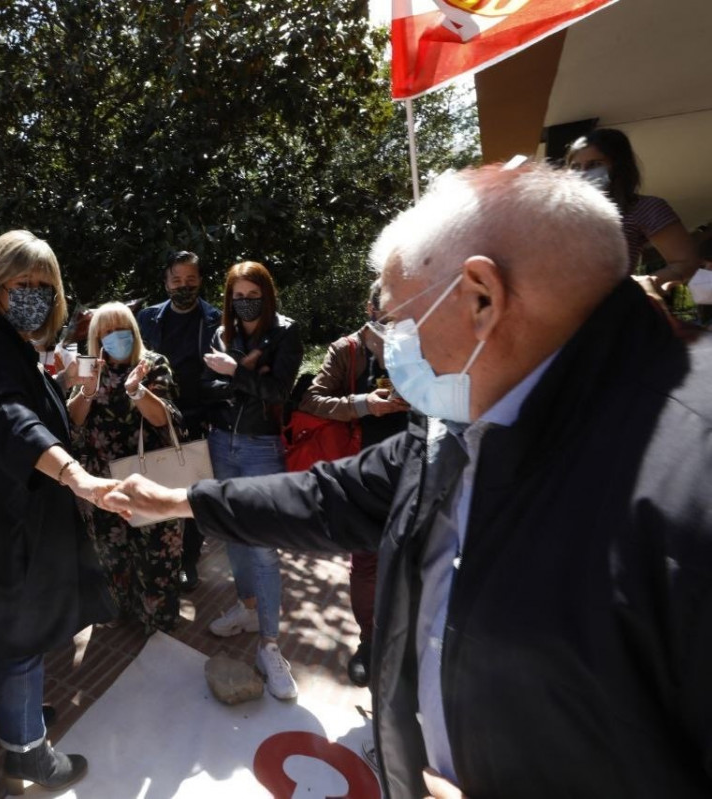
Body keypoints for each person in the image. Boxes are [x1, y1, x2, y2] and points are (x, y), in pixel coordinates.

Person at [106, 163, 712, 799]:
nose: (392, 343)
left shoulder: (688, 484)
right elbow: (329, 497)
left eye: (399, 319)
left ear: (481, 298)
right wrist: (179, 500)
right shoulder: (467, 419)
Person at [0, 230, 118, 795]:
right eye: (20, 283)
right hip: (3, 523)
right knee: (23, 638)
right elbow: (13, 419)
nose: (33, 294)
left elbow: (13, 405)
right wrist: (76, 475)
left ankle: (0, 711)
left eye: (43, 285)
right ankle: (27, 754)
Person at [200, 260, 304, 700]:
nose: (245, 302)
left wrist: (236, 374)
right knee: (234, 536)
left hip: (261, 445)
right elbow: (212, 389)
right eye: (237, 295)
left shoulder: (285, 332)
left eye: (252, 294)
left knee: (263, 547)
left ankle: (269, 644)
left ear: (267, 293)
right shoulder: (223, 333)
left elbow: (279, 392)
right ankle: (246, 607)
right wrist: (248, 376)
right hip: (223, 443)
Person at [298, 283, 409, 687]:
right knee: (366, 562)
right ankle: (369, 644)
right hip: (364, 472)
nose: (397, 319)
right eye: (389, 310)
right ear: (370, 308)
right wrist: (365, 404)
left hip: (416, 470)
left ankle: (406, 647)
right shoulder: (347, 350)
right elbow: (312, 400)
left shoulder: (426, 343)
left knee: (410, 563)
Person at [68, 301, 184, 635]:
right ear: (96, 337)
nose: (114, 336)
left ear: (133, 330)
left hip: (151, 477)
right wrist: (86, 393)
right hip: (103, 482)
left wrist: (136, 390)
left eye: (121, 328)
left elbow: (165, 419)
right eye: (105, 331)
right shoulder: (90, 369)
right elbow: (73, 423)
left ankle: (157, 624)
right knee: (112, 553)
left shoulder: (153, 364)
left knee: (157, 553)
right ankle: (123, 612)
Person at [136, 250, 222, 592]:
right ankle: (155, 556)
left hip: (196, 418)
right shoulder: (148, 318)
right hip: (154, 415)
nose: (183, 286)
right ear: (166, 282)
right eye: (176, 280)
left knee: (191, 494)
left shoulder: (214, 319)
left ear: (199, 281)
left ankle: (187, 561)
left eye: (190, 280)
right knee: (155, 484)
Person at [566, 128, 700, 291]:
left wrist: (635, 288)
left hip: (608, 312)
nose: (583, 172)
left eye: (595, 164)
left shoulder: (643, 208)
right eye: (575, 167)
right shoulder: (555, 212)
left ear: (618, 166)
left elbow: (686, 263)